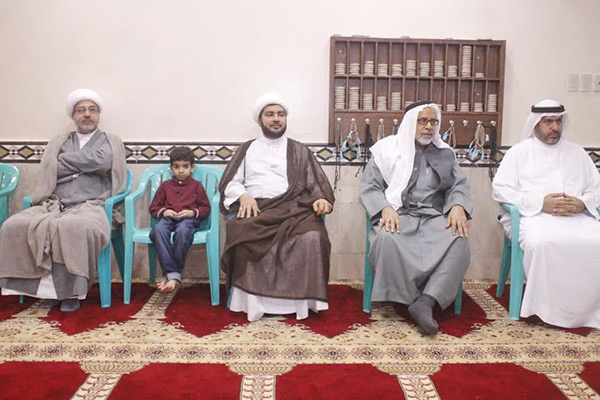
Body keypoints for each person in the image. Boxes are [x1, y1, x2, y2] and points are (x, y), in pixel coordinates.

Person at [0, 88, 127, 312]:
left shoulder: (110, 140)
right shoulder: (58, 142)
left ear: (98, 114)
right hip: (54, 203)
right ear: (73, 116)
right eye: (81, 110)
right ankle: (45, 291)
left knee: (73, 226)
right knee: (14, 225)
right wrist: (83, 165)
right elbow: (51, 169)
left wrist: (64, 160)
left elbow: (103, 162)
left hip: (92, 205)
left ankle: (70, 293)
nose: (86, 114)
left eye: (92, 110)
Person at [219, 93, 335, 322]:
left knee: (314, 236)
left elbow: (315, 183)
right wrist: (243, 195)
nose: (276, 119)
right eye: (270, 114)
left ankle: (300, 303)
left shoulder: (299, 150)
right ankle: (255, 303)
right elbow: (230, 182)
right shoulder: (247, 149)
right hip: (258, 209)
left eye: (280, 114)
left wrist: (320, 199)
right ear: (259, 120)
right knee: (241, 233)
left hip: (295, 209)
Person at [359, 101, 472, 335]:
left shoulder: (445, 153)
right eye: (423, 121)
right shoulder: (386, 151)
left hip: (434, 218)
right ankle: (406, 300)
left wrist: (458, 205)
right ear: (410, 123)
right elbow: (369, 187)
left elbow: (458, 186)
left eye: (433, 122)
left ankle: (426, 302)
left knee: (459, 241)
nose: (429, 126)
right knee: (386, 239)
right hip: (399, 215)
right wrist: (384, 208)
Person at [492, 99, 600, 329]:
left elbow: (596, 188)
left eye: (558, 121)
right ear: (535, 124)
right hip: (533, 218)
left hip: (575, 218)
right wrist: (540, 203)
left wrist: (582, 203)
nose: (555, 127)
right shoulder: (519, 153)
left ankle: (589, 310)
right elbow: (500, 190)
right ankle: (547, 310)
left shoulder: (577, 152)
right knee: (542, 242)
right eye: (548, 122)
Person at [148, 147, 211, 292]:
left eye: (185, 166)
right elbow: (154, 207)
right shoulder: (165, 186)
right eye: (176, 167)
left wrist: (191, 213)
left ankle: (169, 275)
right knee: (158, 230)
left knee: (182, 232)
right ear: (171, 168)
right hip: (168, 219)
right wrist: (164, 211)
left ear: (192, 168)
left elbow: (205, 208)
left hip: (188, 220)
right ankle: (174, 276)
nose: (181, 171)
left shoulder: (196, 186)